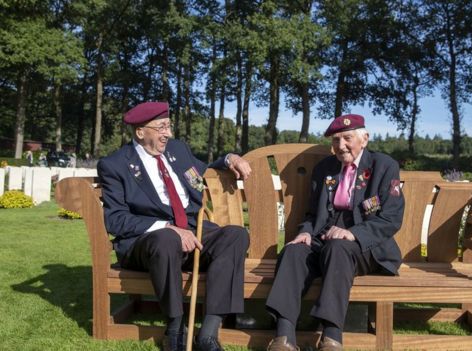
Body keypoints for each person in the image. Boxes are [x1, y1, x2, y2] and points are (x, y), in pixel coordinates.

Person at [97, 102, 252, 351]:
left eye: (168, 126)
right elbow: (115, 219)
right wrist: (168, 226)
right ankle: (175, 327)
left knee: (236, 235)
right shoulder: (115, 165)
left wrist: (229, 158)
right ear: (140, 132)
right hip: (147, 242)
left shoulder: (177, 150)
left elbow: (204, 169)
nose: (168, 133)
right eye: (161, 127)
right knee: (166, 239)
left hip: (193, 229)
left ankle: (208, 334)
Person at [265, 114, 405, 351]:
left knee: (338, 247)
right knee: (293, 251)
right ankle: (284, 337)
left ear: (365, 139)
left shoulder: (384, 166)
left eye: (347, 138)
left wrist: (354, 234)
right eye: (335, 140)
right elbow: (312, 214)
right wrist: (306, 233)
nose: (340, 146)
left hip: (365, 244)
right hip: (325, 237)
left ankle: (331, 337)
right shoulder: (325, 168)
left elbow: (391, 218)